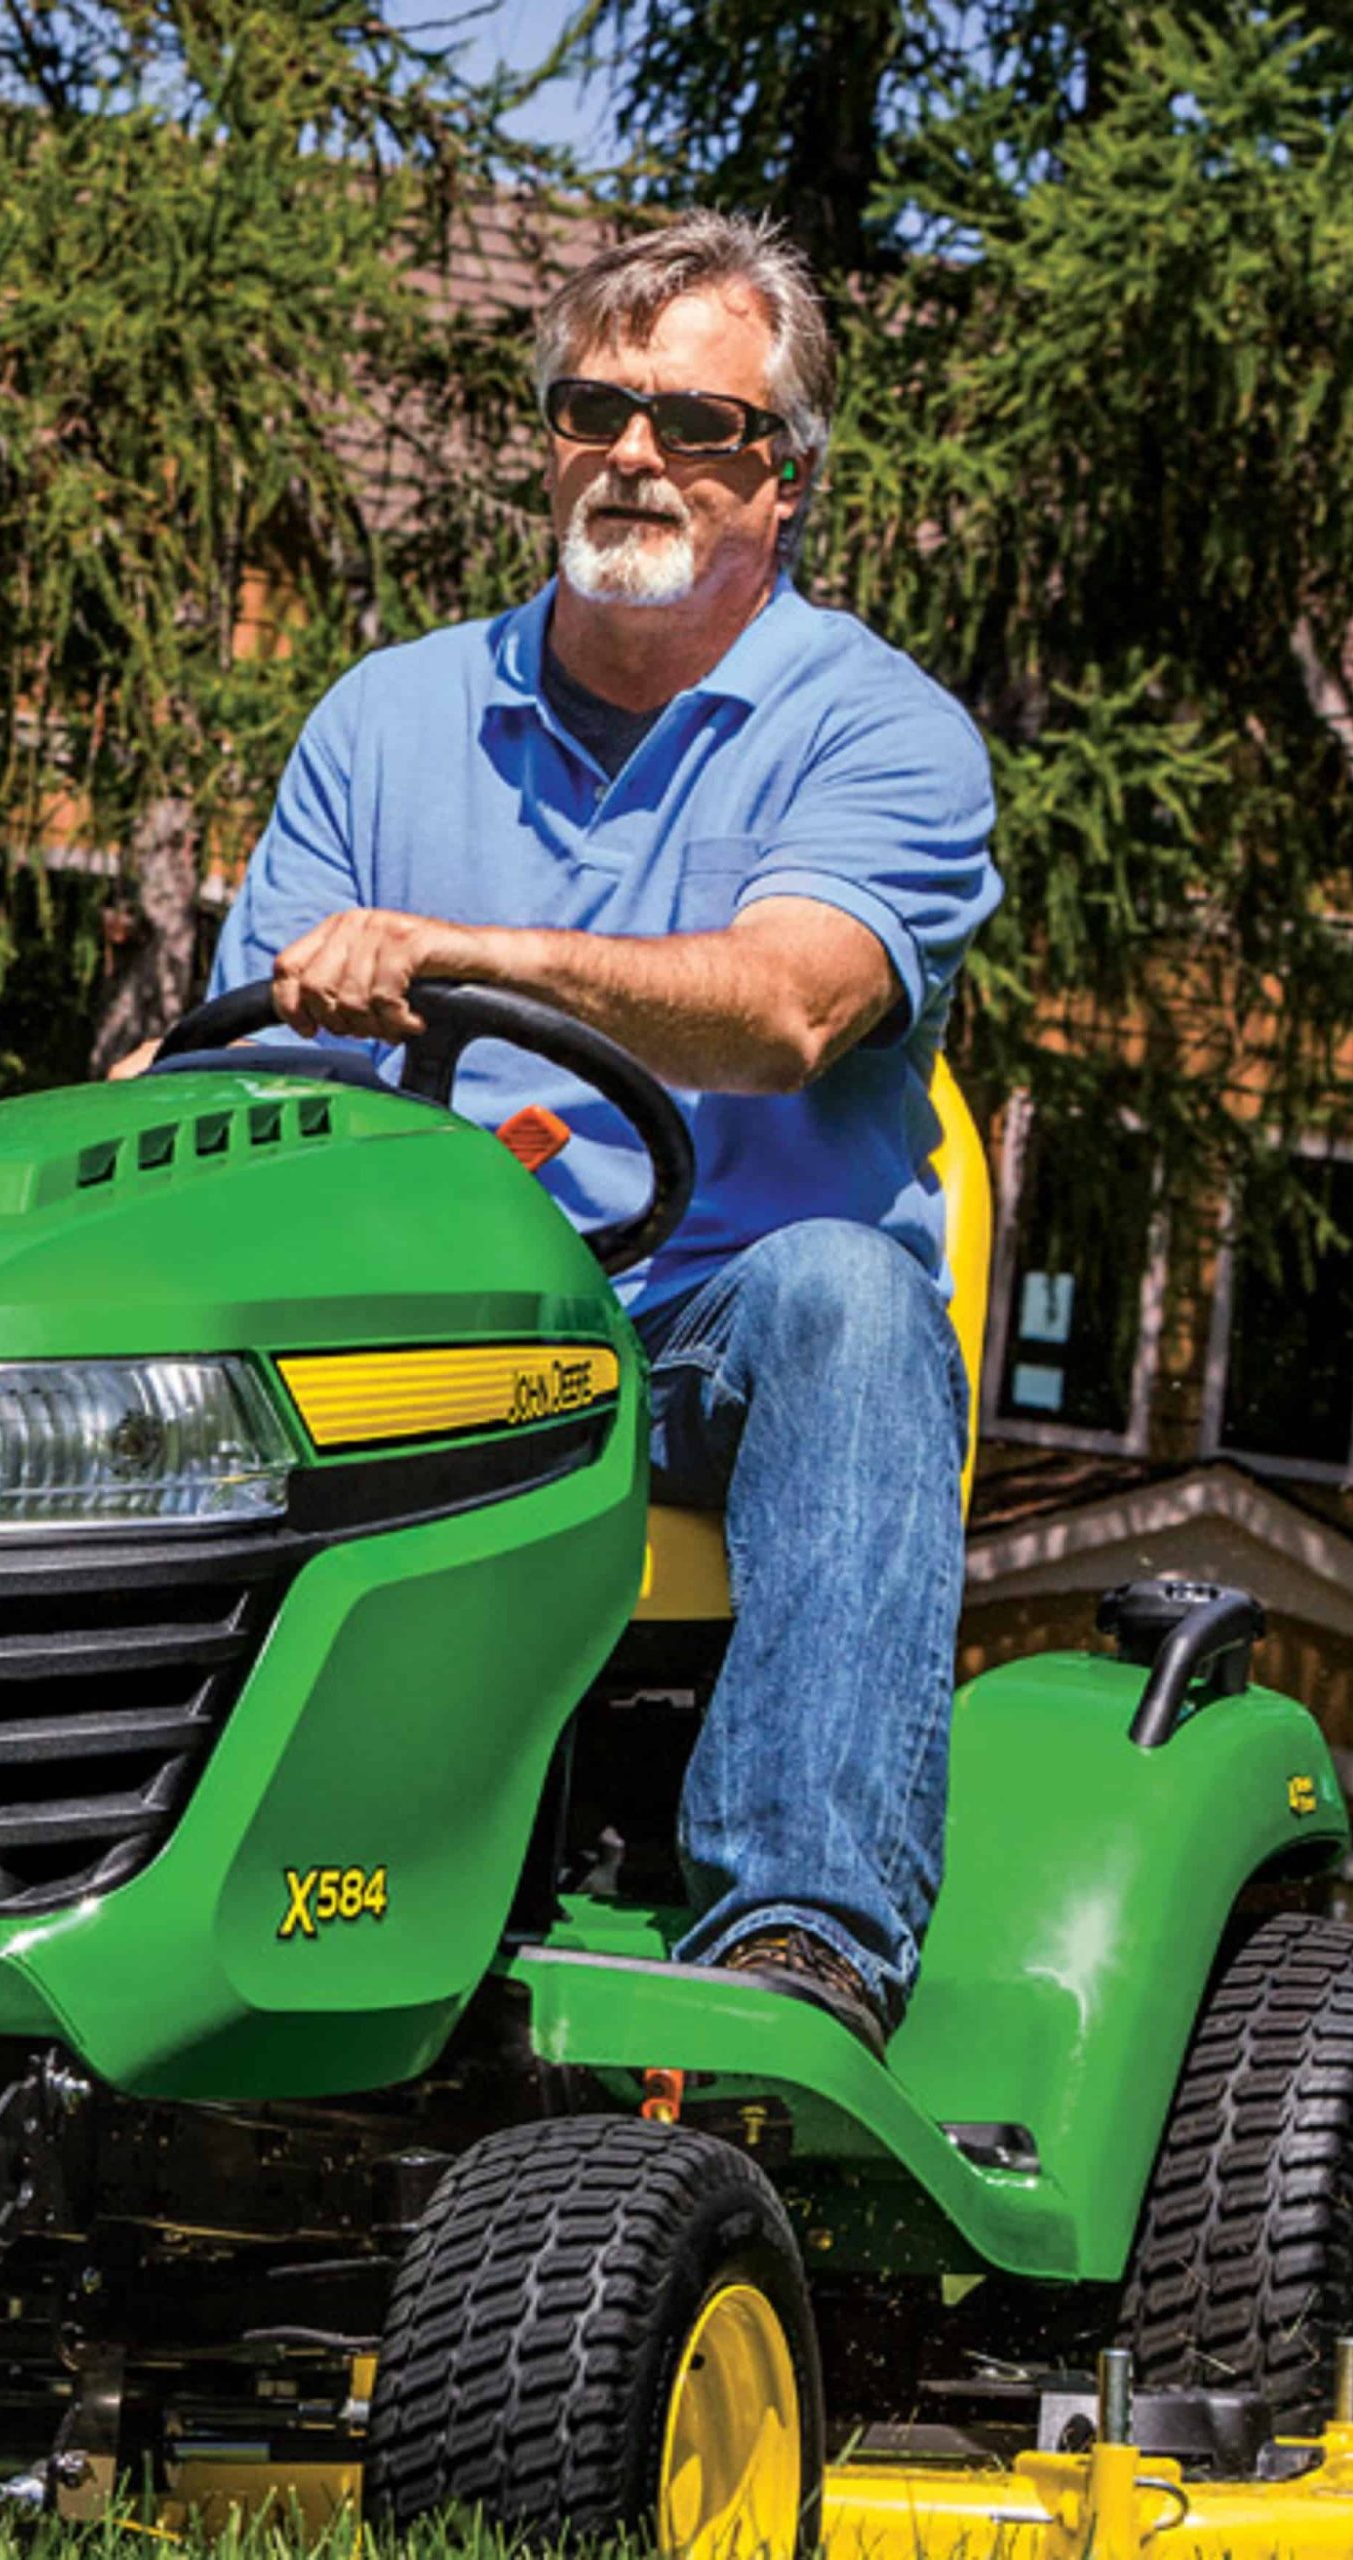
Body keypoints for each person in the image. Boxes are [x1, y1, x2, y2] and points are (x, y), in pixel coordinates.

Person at [202, 211, 1000, 2058]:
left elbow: (792, 1009)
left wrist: (467, 956)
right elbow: (243, 1093)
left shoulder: (881, 733)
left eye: (697, 426)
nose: (635, 455)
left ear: (782, 481)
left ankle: (804, 1938)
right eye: (593, 409)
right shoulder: (387, 721)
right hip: (430, 1323)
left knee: (845, 1300)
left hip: (707, 1340)